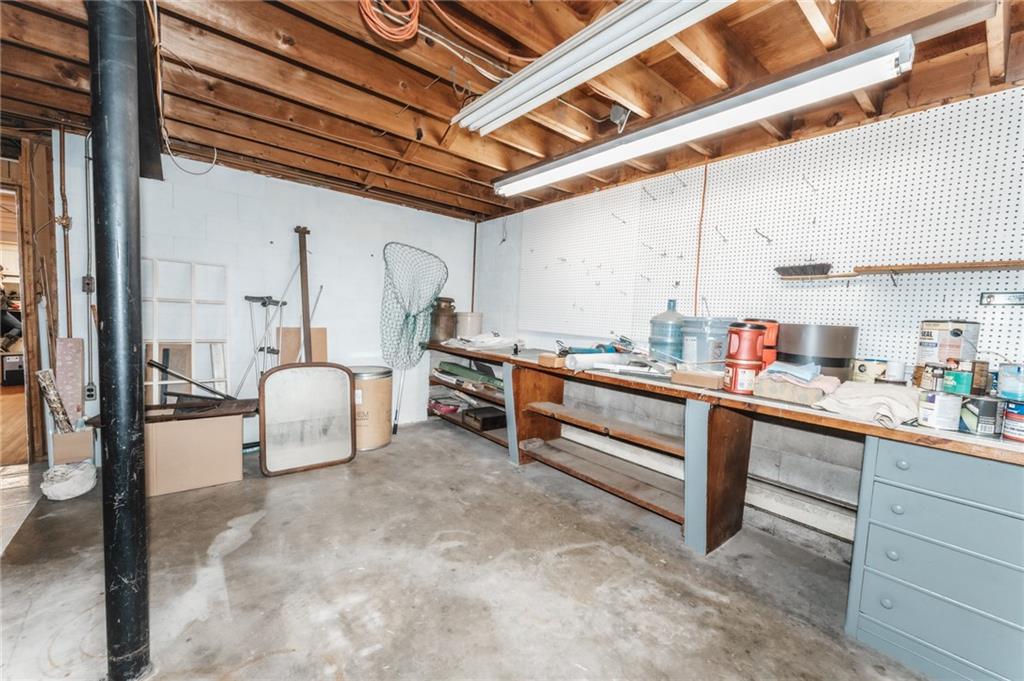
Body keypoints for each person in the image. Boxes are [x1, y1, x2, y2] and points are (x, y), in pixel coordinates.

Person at [1, 286, 22, 352]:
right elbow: (15, 306)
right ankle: (4, 344)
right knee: (19, 326)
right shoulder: (3, 297)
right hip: (2, 313)